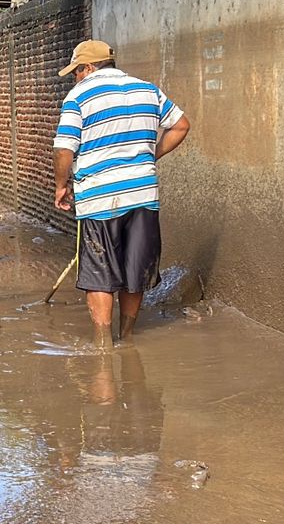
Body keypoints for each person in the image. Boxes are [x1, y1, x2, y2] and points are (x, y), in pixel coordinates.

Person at [51, 40, 192, 341]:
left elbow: (64, 149)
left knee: (99, 276)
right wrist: (148, 155)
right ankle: (126, 338)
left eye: (76, 71)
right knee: (135, 273)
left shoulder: (78, 97)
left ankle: (104, 347)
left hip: (99, 198)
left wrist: (61, 186)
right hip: (143, 196)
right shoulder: (148, 90)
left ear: (87, 68)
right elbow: (181, 125)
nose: (75, 78)